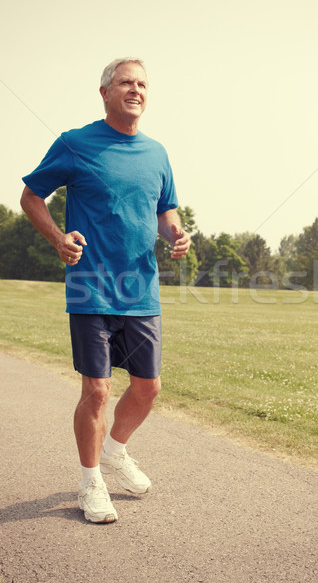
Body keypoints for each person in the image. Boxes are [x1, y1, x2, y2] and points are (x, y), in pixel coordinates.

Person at [20, 57, 191, 523]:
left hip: (142, 289)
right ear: (105, 92)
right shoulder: (76, 144)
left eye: (141, 84)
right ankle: (90, 483)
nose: (134, 90)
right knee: (97, 391)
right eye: (124, 83)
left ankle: (115, 451)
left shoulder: (157, 152)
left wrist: (176, 232)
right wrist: (59, 239)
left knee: (148, 389)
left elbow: (166, 209)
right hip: (91, 286)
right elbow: (31, 195)